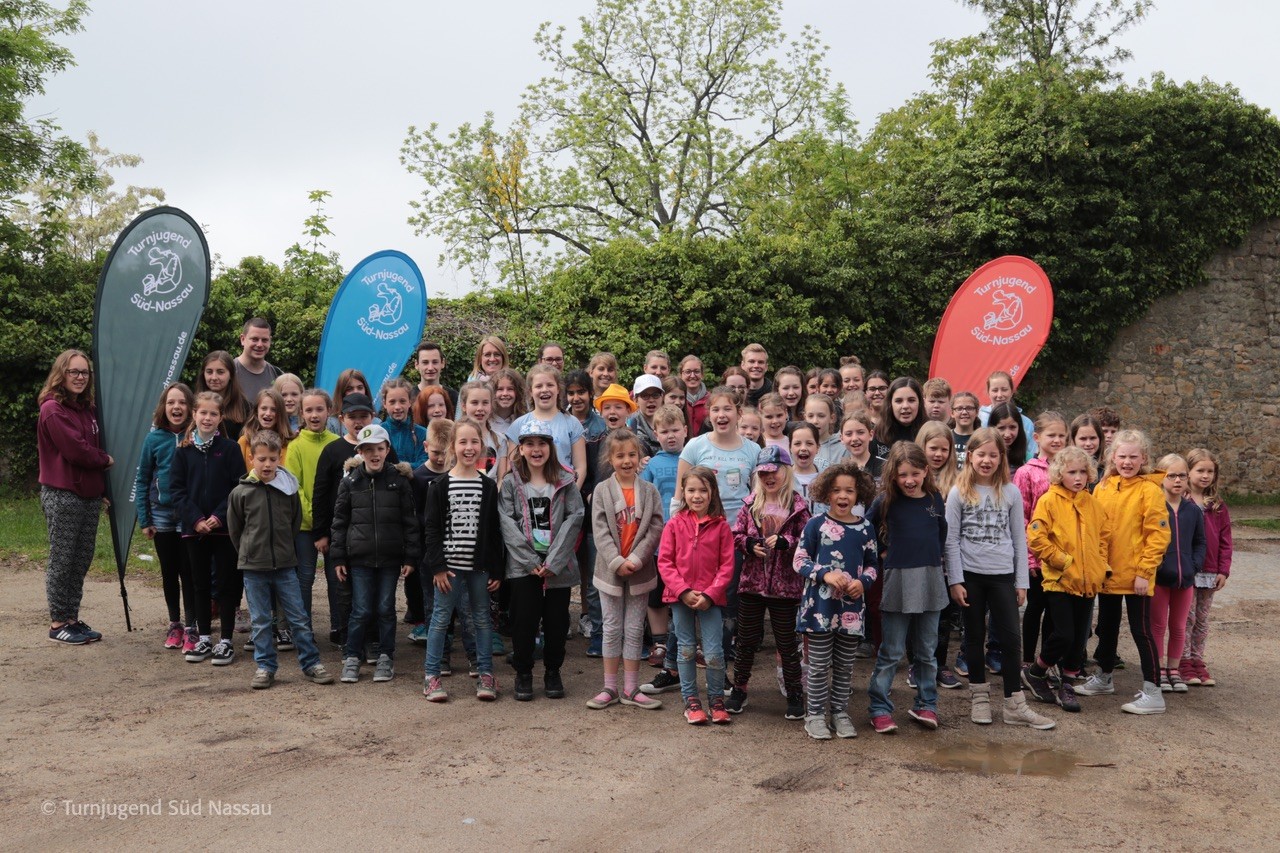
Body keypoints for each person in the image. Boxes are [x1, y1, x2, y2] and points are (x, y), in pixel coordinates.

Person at [945, 427, 1054, 730]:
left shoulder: (1010, 492)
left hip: (1003, 576)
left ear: (1001, 458)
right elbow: (951, 540)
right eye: (981, 454)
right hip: (970, 576)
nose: (987, 460)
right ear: (970, 456)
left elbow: (1020, 539)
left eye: (993, 455)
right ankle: (979, 697)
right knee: (974, 637)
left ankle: (1014, 704)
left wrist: (1021, 581)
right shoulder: (958, 492)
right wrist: (955, 580)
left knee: (1010, 639)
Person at [227, 431, 335, 689]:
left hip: (286, 566)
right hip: (254, 568)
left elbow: (295, 523)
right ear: (251, 458)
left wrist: (285, 549)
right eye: (261, 459)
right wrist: (249, 551)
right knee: (262, 620)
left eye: (272, 459)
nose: (267, 464)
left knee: (298, 617)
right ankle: (265, 667)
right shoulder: (241, 493)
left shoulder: (289, 490)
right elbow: (236, 530)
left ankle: (311, 663)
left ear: (279, 459)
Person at [1075, 429, 1171, 715]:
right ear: (1112, 457)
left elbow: (1158, 536)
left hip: (1136, 577)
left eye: (1133, 456)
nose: (1127, 462)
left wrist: (1144, 572)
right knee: (1107, 627)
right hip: (1107, 574)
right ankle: (1104, 676)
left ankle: (1154, 691)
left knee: (1142, 632)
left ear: (1144, 458)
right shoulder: (1104, 486)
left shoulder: (1150, 490)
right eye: (1122, 456)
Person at [866, 442, 948, 733]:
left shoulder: (935, 499)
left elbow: (942, 532)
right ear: (893, 475)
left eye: (915, 473)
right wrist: (881, 553)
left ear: (926, 471)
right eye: (902, 475)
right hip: (897, 581)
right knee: (891, 651)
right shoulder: (886, 501)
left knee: (927, 650)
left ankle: (927, 703)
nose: (909, 480)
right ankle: (879, 707)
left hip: (930, 579)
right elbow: (866, 530)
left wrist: (935, 559)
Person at [499, 420, 585, 701]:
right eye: (530, 444)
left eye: (542, 444)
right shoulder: (512, 482)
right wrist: (527, 559)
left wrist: (555, 561)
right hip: (524, 566)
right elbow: (507, 522)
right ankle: (523, 673)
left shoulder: (566, 480)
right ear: (521, 449)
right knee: (523, 621)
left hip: (556, 565)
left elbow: (575, 518)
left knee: (556, 622)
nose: (536, 450)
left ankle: (552, 671)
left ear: (550, 447)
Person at [794, 462, 878, 740]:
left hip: (851, 609)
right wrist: (825, 574)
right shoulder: (815, 524)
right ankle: (815, 714)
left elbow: (873, 565)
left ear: (859, 494)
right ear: (826, 493)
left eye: (849, 491)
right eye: (836, 490)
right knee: (818, 666)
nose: (843, 496)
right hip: (820, 608)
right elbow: (800, 561)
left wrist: (862, 582)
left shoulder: (866, 528)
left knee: (845, 665)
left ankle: (840, 712)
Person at [422, 418, 504, 702]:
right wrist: (438, 567)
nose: (469, 448)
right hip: (449, 570)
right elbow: (431, 530)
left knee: (482, 619)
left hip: (479, 568)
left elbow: (494, 532)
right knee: (440, 619)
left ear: (482, 446)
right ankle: (431, 677)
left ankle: (485, 674)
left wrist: (497, 569)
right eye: (463, 442)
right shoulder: (440, 485)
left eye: (474, 442)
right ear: (452, 447)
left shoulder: (488, 486)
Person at [332, 424, 421, 685]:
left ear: (387, 450)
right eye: (368, 449)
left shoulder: (399, 481)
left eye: (379, 449)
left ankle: (385, 656)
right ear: (359, 452)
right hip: (359, 558)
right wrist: (338, 557)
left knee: (385, 608)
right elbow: (339, 522)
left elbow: (410, 521)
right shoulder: (350, 482)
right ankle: (352, 657)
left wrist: (410, 557)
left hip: (391, 559)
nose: (374, 454)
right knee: (360, 609)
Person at [1024, 445, 1110, 713]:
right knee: (1063, 633)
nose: (1078, 477)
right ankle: (1037, 670)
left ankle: (1067, 684)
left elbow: (1103, 538)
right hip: (1059, 581)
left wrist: (1101, 567)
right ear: (1059, 473)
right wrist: (1062, 561)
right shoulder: (1048, 501)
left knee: (1079, 639)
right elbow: (1036, 536)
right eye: (1071, 471)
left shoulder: (1093, 504)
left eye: (1082, 471)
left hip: (1088, 583)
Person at [727, 446, 809, 720]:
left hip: (786, 587)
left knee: (787, 643)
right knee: (746, 639)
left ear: (786, 471)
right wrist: (749, 544)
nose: (769, 478)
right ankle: (739, 688)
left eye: (774, 472)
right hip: (752, 583)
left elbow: (809, 541)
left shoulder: (798, 506)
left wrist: (788, 543)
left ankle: (795, 692)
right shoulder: (750, 504)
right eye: (763, 473)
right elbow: (735, 535)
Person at [37, 349, 113, 645]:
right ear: (61, 374)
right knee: (63, 559)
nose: (80, 377)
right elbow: (76, 450)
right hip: (63, 493)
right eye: (74, 372)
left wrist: (104, 489)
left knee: (81, 558)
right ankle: (58, 623)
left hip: (89, 495)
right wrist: (104, 459)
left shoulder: (88, 409)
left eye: (84, 373)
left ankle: (72, 617)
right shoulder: (52, 409)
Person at [586, 428, 665, 711]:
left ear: (640, 456)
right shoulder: (602, 491)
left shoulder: (649, 490)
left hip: (640, 570)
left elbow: (656, 526)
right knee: (611, 628)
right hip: (609, 571)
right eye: (620, 455)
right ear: (610, 458)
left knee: (633, 629)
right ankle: (610, 687)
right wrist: (618, 562)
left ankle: (631, 688)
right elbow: (600, 530)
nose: (627, 460)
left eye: (632, 454)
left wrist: (637, 558)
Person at [172, 391, 247, 665]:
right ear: (194, 415)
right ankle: (204, 638)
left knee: (226, 584)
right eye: (203, 413)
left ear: (220, 417)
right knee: (199, 584)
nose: (207, 418)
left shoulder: (229, 449)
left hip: (223, 529)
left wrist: (218, 516)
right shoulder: (182, 451)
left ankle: (225, 641)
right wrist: (196, 519)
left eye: (213, 413)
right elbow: (177, 491)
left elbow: (238, 487)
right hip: (195, 530)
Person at [660, 466, 736, 725]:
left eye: (703, 490)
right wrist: (682, 591)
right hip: (680, 597)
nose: (697, 495)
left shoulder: (722, 527)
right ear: (683, 492)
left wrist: (710, 594)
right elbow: (665, 562)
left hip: (710, 599)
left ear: (712, 492)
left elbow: (727, 566)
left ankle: (716, 700)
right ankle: (691, 700)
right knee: (686, 650)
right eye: (691, 490)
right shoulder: (673, 524)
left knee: (714, 652)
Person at [411, 419, 479, 670]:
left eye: (444, 452)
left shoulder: (460, 476)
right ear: (426, 447)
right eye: (435, 452)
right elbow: (416, 516)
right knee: (434, 609)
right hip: (431, 556)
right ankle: (441, 657)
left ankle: (473, 655)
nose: (440, 458)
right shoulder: (419, 477)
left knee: (466, 608)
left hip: (460, 554)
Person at [135, 382, 196, 651]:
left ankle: (193, 626)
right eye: (171, 402)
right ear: (164, 407)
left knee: (190, 570)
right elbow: (142, 478)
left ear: (190, 407)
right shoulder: (154, 439)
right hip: (161, 513)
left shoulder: (197, 436)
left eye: (182, 402)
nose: (176, 407)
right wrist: (144, 519)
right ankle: (175, 624)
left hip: (189, 512)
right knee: (169, 571)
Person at [1013, 411, 1069, 667]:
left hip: (1061, 555)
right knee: (1035, 608)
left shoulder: (1071, 472)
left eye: (1061, 435)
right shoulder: (1026, 473)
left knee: (1055, 613)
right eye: (1051, 435)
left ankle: (1047, 661)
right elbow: (1022, 517)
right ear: (1037, 437)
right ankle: (1026, 661)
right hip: (1037, 555)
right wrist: (1029, 558)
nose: (1057, 440)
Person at [1151, 453, 1205, 694]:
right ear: (1160, 477)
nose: (1177, 480)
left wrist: (1194, 565)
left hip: (1186, 580)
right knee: (1158, 625)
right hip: (1160, 579)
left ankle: (1174, 669)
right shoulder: (1153, 507)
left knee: (1179, 626)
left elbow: (1200, 542)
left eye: (1182, 475)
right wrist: (1158, 566)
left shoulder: (1193, 511)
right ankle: (1158, 668)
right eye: (1171, 475)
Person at [640, 404, 687, 672]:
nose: (671, 435)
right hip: (659, 541)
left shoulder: (693, 459)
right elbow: (644, 499)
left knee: (684, 590)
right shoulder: (652, 464)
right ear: (655, 433)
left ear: (685, 430)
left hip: (688, 541)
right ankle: (660, 642)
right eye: (664, 431)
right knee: (656, 593)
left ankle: (686, 641)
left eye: (675, 430)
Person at [914, 419, 961, 686]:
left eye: (944, 449)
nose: (938, 454)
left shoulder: (958, 481)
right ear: (922, 447)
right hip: (918, 557)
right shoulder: (911, 478)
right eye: (933, 448)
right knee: (915, 612)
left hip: (946, 559)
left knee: (942, 616)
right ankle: (917, 664)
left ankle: (940, 664)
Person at [286, 388, 337, 623]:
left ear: (329, 411)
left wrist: (327, 524)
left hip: (335, 525)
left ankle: (339, 626)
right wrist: (317, 524)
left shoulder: (337, 444)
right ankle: (303, 628)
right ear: (301, 413)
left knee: (336, 576)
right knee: (304, 576)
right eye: (309, 410)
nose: (314, 415)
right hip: (306, 526)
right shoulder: (295, 446)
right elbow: (295, 487)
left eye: (319, 409)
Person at [1183, 448, 1232, 686]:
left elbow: (1226, 540)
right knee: (1187, 617)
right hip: (1189, 570)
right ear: (1188, 471)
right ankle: (1182, 661)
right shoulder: (1182, 502)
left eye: (1210, 471)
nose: (1205, 475)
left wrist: (1223, 570)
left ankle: (1197, 660)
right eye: (1200, 470)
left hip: (1210, 572)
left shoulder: (1218, 506)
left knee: (1202, 619)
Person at [506, 365, 587, 489]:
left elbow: (580, 467)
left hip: (564, 492)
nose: (544, 390)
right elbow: (512, 469)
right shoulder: (518, 425)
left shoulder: (572, 423)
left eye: (550, 385)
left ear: (559, 389)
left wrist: (571, 494)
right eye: (538, 386)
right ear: (530, 392)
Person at [978, 370, 1037, 459]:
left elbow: (1032, 453)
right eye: (995, 390)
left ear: (1012, 391)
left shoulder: (1026, 423)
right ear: (988, 392)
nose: (1000, 395)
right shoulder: (980, 418)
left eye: (1004, 390)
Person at [458, 380, 509, 482]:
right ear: (464, 406)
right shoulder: (456, 438)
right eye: (474, 403)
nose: (480, 408)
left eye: (485, 403)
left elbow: (501, 479)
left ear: (491, 406)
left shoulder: (500, 440)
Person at [196, 351, 250, 441]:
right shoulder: (194, 403)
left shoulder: (245, 407)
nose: (214, 377)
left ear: (231, 375)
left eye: (220, 372)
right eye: (209, 372)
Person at [237, 388, 293, 472]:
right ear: (256, 411)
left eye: (273, 410)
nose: (268, 413)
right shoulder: (244, 442)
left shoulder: (289, 444)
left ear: (280, 414)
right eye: (264, 408)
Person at [234, 318, 282, 405]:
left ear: (270, 341)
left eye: (264, 340)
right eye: (254, 339)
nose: (259, 345)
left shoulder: (277, 374)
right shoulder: (228, 372)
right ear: (242, 339)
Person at [381, 377, 427, 468]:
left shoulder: (423, 433)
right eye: (392, 402)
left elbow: (425, 463)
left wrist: (403, 468)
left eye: (402, 401)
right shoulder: (379, 432)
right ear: (384, 403)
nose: (397, 407)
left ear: (410, 402)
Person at [875, 376, 927, 453]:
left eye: (911, 400)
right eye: (899, 401)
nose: (905, 406)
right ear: (890, 404)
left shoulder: (930, 432)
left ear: (920, 403)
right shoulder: (878, 433)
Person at [326, 369, 378, 436]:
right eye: (349, 389)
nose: (356, 392)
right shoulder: (332, 423)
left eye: (360, 388)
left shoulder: (376, 422)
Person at [627, 373, 664, 458]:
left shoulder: (671, 420)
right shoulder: (630, 424)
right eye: (645, 396)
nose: (651, 400)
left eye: (655, 395)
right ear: (635, 400)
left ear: (662, 397)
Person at [412, 340, 458, 408]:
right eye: (425, 362)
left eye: (435, 362)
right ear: (416, 365)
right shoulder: (408, 397)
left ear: (442, 363)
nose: (430, 368)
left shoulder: (454, 397)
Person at [987, 401, 1029, 474]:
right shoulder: (985, 459)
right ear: (992, 428)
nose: (1007, 434)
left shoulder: (1028, 459)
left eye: (1012, 427)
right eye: (1001, 428)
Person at [489, 367, 526, 438]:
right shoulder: (485, 422)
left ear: (518, 392)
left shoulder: (524, 422)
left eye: (510, 389)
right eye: (500, 389)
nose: (505, 393)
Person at [679, 355, 709, 438]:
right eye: (688, 372)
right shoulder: (675, 400)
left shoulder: (712, 400)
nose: (692, 375)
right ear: (681, 374)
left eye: (696, 371)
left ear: (702, 374)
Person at [950, 391, 980, 467]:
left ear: (977, 412)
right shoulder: (946, 437)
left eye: (969, 408)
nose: (964, 412)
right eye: (959, 408)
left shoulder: (981, 439)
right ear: (952, 413)